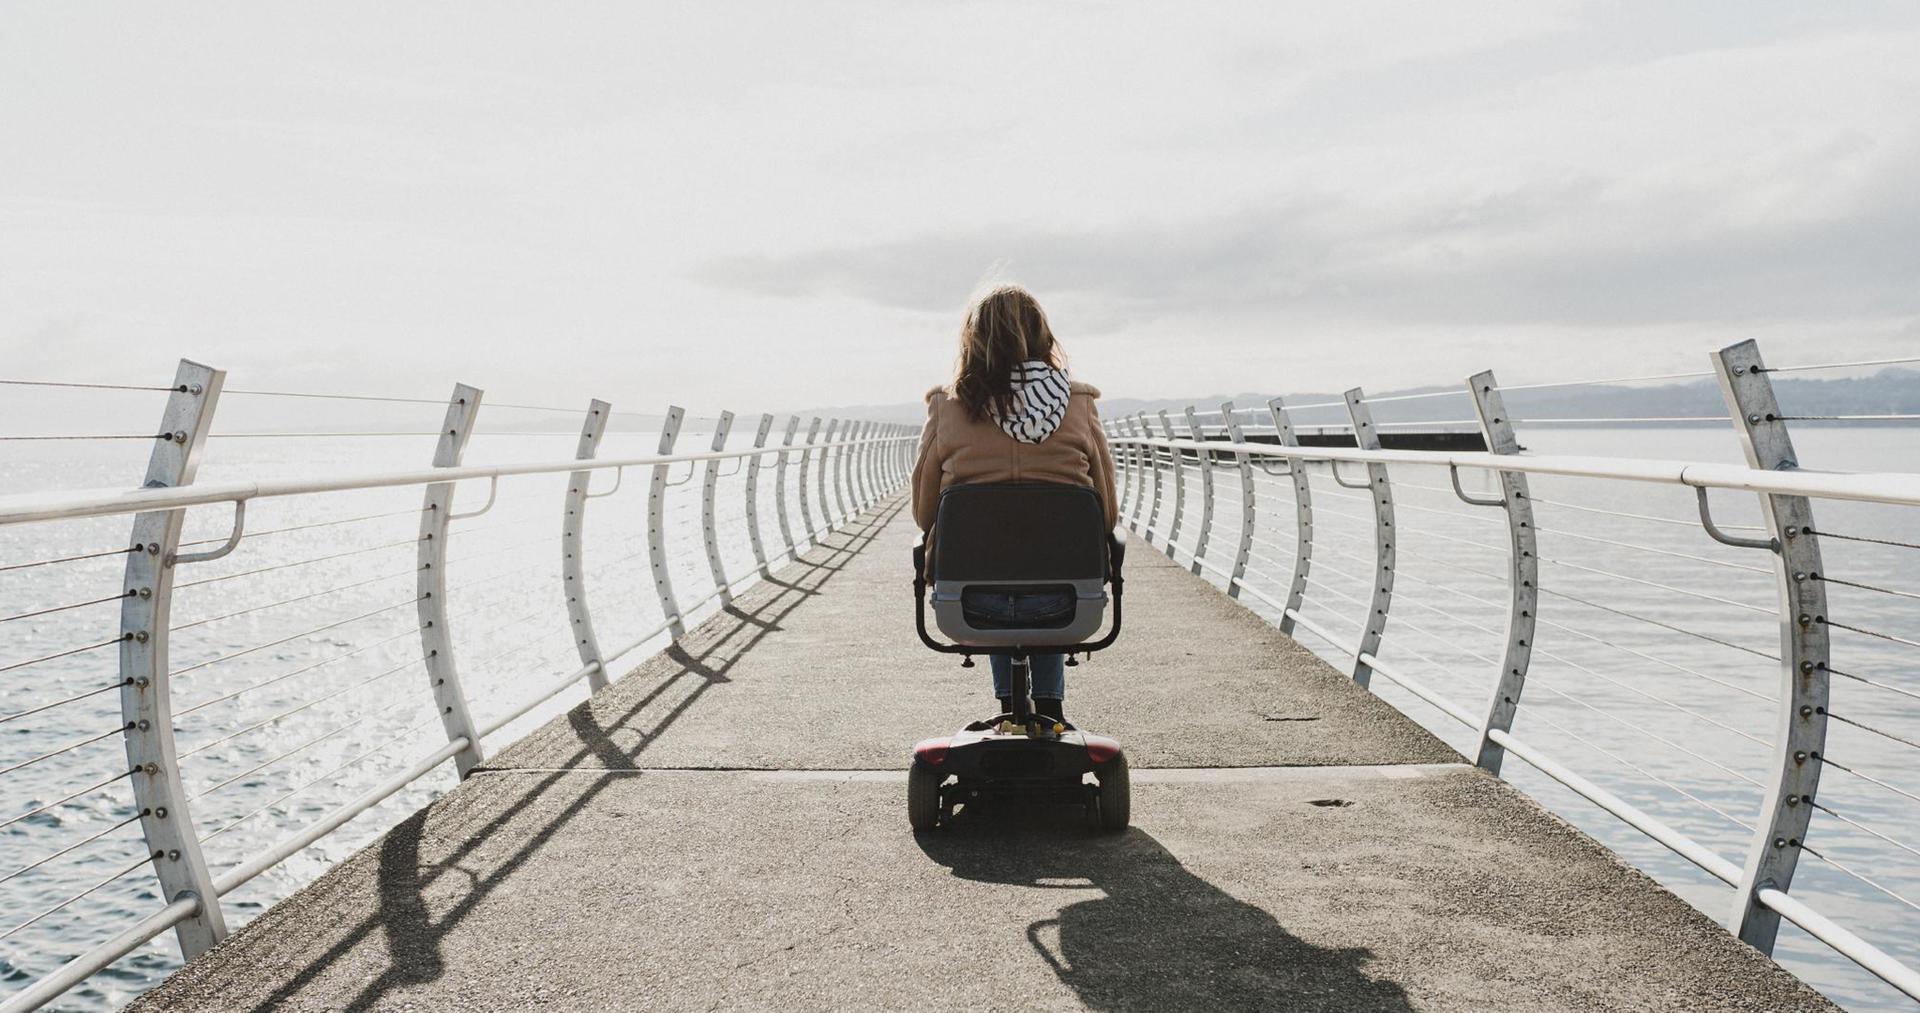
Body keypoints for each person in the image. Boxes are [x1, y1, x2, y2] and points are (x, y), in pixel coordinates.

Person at [911, 285, 1118, 725]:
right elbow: (1107, 515)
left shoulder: (947, 408)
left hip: (969, 603)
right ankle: (1049, 711)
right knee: (1047, 565)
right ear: (1043, 337)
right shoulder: (1079, 406)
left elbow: (924, 515)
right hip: (1067, 602)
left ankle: (1010, 710)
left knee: (987, 561)